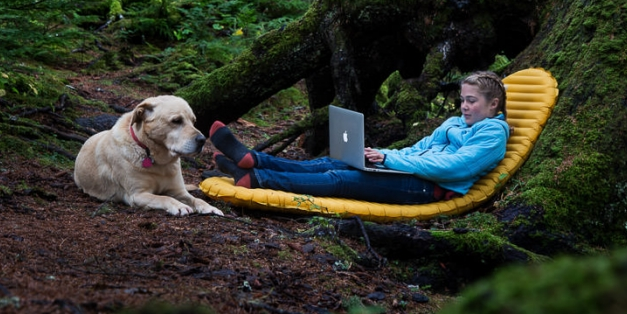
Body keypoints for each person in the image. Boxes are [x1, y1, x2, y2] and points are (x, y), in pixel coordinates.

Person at [208, 71, 510, 205]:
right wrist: (381, 155)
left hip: (426, 187)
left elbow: (455, 167)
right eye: (462, 99)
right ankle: (253, 161)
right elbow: (418, 149)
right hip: (406, 171)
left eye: (471, 101)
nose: (464, 106)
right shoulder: (455, 122)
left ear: (493, 104)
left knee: (340, 179)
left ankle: (258, 179)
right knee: (331, 163)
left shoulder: (493, 134)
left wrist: (389, 159)